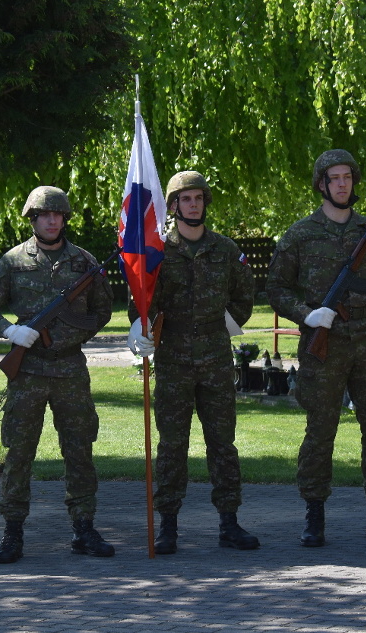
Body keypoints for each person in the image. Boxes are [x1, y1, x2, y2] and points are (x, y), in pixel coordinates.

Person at [265, 149, 366, 547]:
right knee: (320, 430)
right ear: (322, 184)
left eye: (348, 177)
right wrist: (307, 315)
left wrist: (360, 301)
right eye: (335, 178)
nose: (343, 184)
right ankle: (314, 515)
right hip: (324, 345)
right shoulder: (301, 234)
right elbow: (276, 287)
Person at [0, 185, 115, 564]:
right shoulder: (13, 262)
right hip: (28, 371)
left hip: (70, 369)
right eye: (44, 215)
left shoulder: (84, 262)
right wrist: (10, 331)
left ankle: (84, 527)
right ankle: (12, 531)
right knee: (19, 452)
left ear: (64, 219)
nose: (52, 221)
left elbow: (102, 310)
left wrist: (75, 335)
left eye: (57, 215)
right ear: (32, 219)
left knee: (79, 449)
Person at [126, 170, 260, 554]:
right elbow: (142, 300)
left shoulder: (225, 249)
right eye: (186, 199)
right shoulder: (157, 252)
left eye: (198, 198)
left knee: (222, 445)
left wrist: (222, 326)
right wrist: (141, 327)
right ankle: (168, 525)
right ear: (172, 206)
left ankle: (229, 523)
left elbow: (244, 297)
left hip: (216, 360)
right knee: (172, 446)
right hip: (173, 362)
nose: (193, 204)